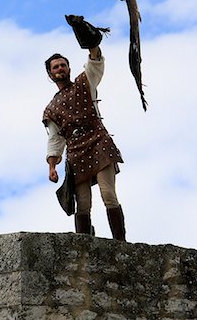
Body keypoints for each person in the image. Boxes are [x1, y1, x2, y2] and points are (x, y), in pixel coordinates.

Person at [42, 16, 126, 241]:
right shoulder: (51, 108)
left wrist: (92, 44)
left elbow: (95, 63)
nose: (60, 68)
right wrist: (52, 166)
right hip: (76, 151)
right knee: (83, 205)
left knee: (108, 194)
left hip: (98, 141)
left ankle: (121, 244)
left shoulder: (84, 83)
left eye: (62, 65)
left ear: (68, 67)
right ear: (50, 75)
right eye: (55, 67)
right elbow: (55, 138)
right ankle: (84, 247)